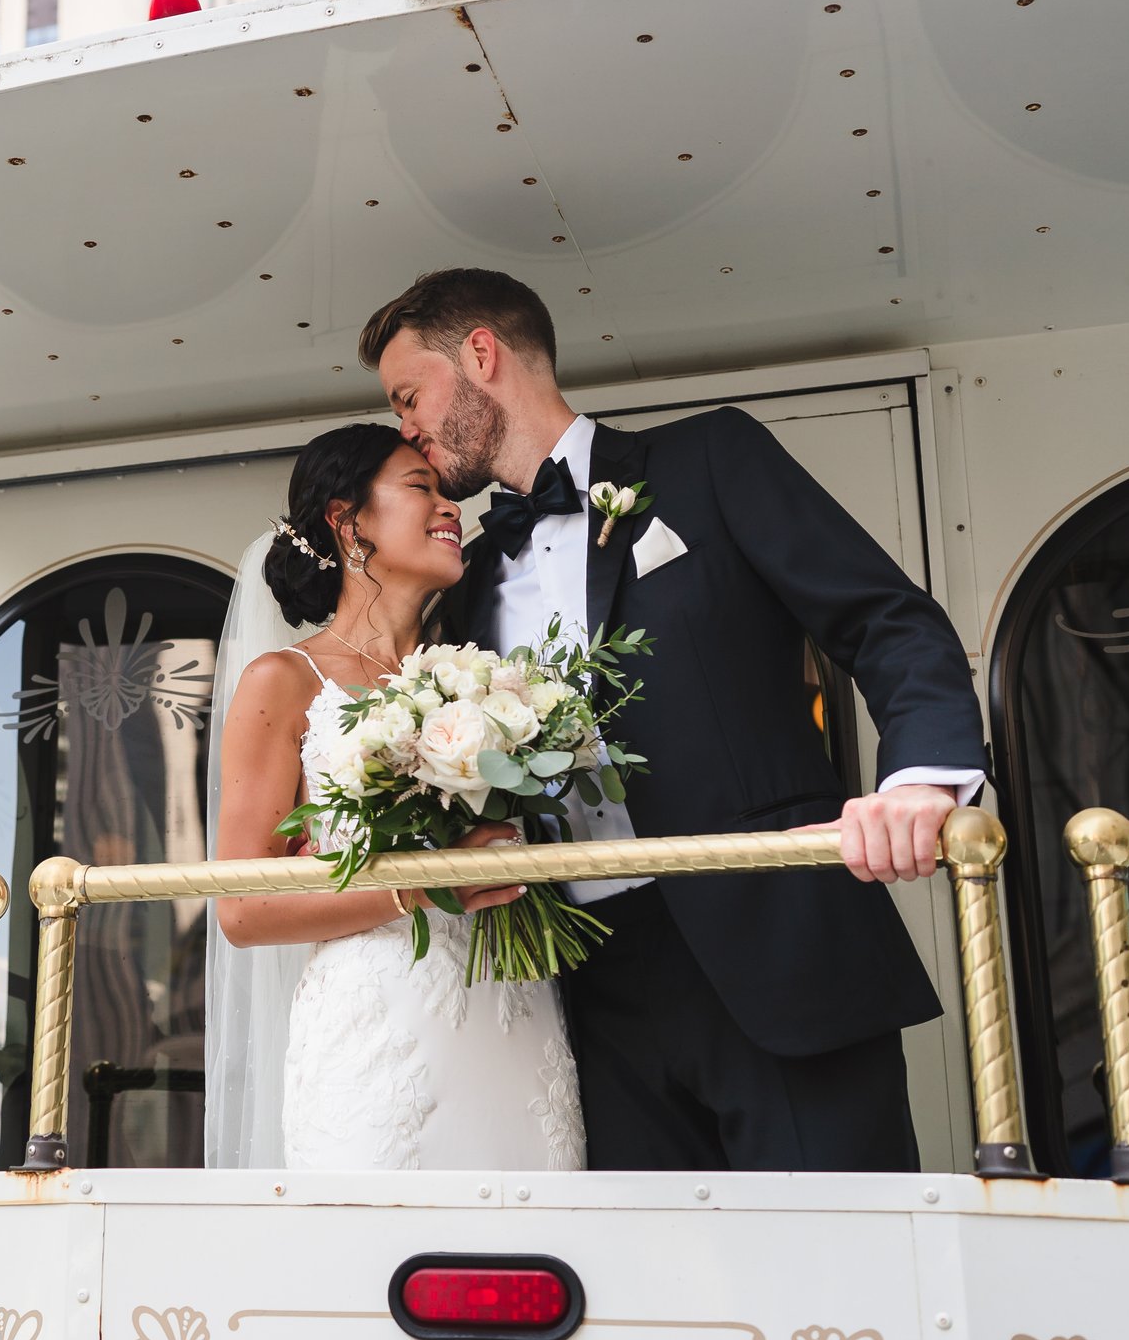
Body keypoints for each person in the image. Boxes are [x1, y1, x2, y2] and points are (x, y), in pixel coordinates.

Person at [361, 267, 987, 1173]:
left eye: (409, 395)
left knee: (850, 1273)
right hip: (582, 988)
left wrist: (922, 780)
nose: (406, 425)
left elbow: (885, 619)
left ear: (483, 357)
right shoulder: (472, 569)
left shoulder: (707, 460)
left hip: (776, 944)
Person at [204, 422, 586, 1172]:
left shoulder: (483, 673)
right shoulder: (282, 682)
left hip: (513, 1016)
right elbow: (242, 909)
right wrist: (427, 883)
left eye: (449, 493)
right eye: (423, 487)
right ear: (349, 523)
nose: (452, 508)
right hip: (378, 1035)